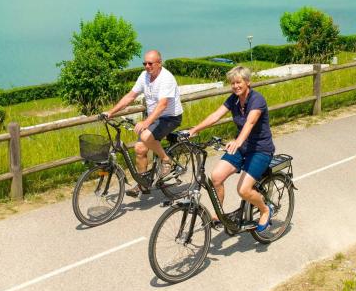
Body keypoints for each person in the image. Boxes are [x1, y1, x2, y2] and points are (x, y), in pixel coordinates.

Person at [187, 66, 275, 232]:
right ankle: (219, 214)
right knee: (216, 177)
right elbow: (215, 115)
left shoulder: (257, 100)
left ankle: (265, 210)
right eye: (232, 83)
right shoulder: (233, 99)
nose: (235, 86)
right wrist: (194, 130)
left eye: (239, 82)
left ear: (248, 82)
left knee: (243, 190)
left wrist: (237, 141)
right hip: (242, 148)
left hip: (260, 150)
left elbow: (250, 122)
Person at [103, 49, 183, 197]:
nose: (147, 66)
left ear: (159, 63)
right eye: (144, 63)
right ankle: (143, 185)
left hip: (170, 117)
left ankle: (166, 160)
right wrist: (111, 112)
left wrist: (146, 122)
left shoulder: (166, 78)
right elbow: (130, 97)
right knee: (139, 149)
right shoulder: (144, 76)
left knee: (146, 137)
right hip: (155, 117)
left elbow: (163, 105)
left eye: (150, 63)